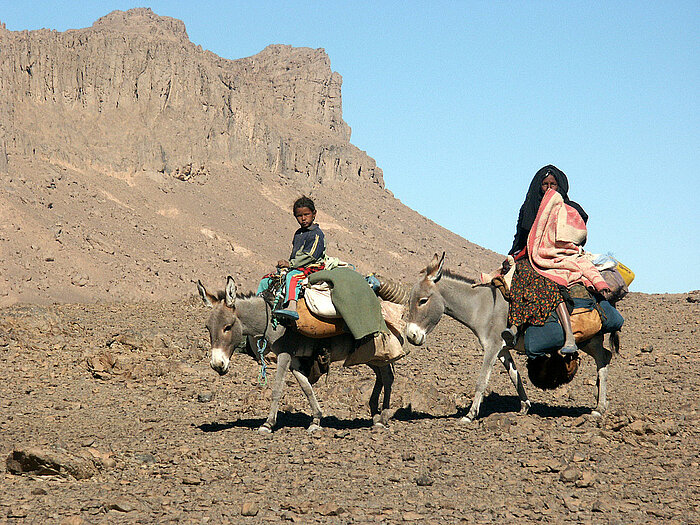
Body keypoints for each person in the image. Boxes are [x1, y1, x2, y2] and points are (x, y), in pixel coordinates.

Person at [502, 165, 611, 355]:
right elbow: (520, 237)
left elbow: (577, 235)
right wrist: (512, 255)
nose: (549, 188)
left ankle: (569, 335)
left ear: (560, 186)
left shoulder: (569, 209)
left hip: (559, 256)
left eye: (553, 184)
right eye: (545, 184)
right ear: (538, 186)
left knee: (552, 283)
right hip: (531, 255)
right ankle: (514, 327)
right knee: (518, 275)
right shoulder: (529, 208)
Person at [259, 196, 326, 321]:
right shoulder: (298, 233)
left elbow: (310, 256)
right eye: (299, 216)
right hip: (296, 266)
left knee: (292, 277)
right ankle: (261, 306)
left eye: (306, 214)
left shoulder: (316, 234)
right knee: (267, 280)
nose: (303, 218)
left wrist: (290, 264)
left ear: (314, 214)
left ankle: (291, 306)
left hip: (312, 267)